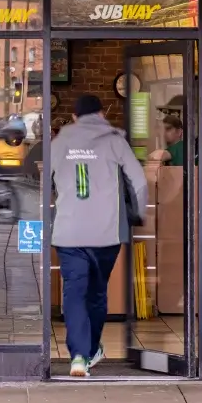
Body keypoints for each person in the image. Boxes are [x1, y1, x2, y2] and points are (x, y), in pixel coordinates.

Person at [51, 94, 147, 376]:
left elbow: (43, 182)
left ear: (75, 117)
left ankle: (79, 356)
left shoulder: (59, 143)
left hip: (69, 232)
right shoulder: (115, 140)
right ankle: (91, 349)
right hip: (105, 234)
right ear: (102, 114)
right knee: (96, 293)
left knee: (74, 293)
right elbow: (138, 181)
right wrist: (138, 214)